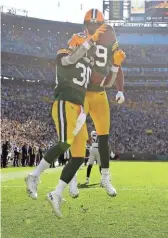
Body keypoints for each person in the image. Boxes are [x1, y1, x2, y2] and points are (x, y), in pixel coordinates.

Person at [25, 27, 106, 217]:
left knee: (78, 157)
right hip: (64, 102)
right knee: (65, 142)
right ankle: (33, 176)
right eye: (86, 41)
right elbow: (70, 59)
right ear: (79, 42)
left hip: (78, 109)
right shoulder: (64, 53)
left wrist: (115, 67)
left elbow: (101, 83)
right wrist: (89, 43)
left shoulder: (88, 62)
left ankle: (56, 193)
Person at [83, 9, 126, 196]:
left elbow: (118, 63)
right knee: (73, 132)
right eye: (90, 25)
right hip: (81, 91)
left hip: (99, 92)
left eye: (96, 25)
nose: (93, 28)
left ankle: (105, 177)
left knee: (104, 136)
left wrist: (120, 89)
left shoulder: (108, 38)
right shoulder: (80, 39)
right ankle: (71, 178)